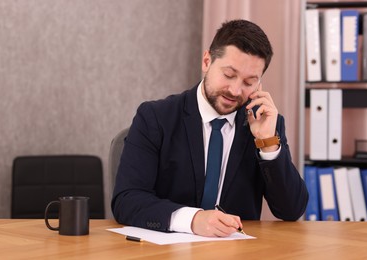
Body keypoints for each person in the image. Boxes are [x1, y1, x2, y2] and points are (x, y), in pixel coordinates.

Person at [111, 19, 308, 237]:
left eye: (249, 82)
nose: (235, 90)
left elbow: (292, 210)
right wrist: (192, 219)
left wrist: (268, 144)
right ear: (206, 61)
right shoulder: (155, 117)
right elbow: (126, 200)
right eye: (229, 75)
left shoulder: (266, 125)